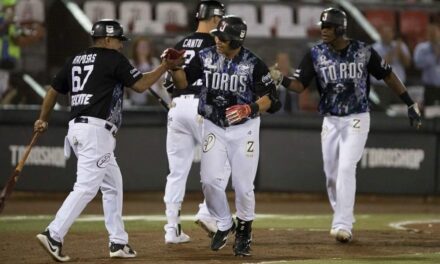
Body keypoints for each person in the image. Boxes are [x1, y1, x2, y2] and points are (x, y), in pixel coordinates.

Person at [33, 19, 182, 262]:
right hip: (95, 132)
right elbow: (142, 85)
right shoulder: (112, 58)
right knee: (86, 187)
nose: (122, 46)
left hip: (79, 129)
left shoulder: (76, 59)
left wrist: (42, 118)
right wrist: (165, 66)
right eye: (119, 41)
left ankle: (118, 242)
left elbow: (53, 90)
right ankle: (53, 234)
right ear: (108, 39)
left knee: (113, 185)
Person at [271, 7, 422, 243]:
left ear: (341, 28)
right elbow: (300, 85)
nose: (323, 30)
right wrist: (281, 79)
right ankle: (342, 214)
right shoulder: (315, 53)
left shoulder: (363, 51)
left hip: (357, 117)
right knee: (331, 174)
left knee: (345, 168)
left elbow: (388, 75)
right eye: (322, 26)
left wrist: (409, 103)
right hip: (330, 120)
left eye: (329, 26)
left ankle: (342, 222)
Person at [170, 15, 280, 256]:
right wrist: (175, 66)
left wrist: (249, 108)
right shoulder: (205, 55)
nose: (218, 40)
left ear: (237, 41)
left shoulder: (253, 63)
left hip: (245, 128)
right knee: (209, 181)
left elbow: (272, 100)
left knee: (243, 186)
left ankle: (244, 230)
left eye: (224, 38)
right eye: (217, 36)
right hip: (213, 125)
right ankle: (224, 222)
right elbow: (182, 83)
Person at [162, 0, 227, 244]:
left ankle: (171, 228)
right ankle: (207, 212)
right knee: (225, 159)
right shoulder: (217, 42)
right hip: (202, 106)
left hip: (178, 107)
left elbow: (171, 81)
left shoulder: (181, 43)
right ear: (216, 18)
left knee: (176, 172)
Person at [0, 0, 44, 104]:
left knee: (6, 82)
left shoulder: (14, 22)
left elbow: (18, 36)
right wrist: (6, 22)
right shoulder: (4, 19)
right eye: (9, 8)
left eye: (13, 8)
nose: (11, 10)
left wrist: (27, 33)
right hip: (2, 59)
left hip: (10, 59)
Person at [371, 25, 411, 109]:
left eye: (389, 33)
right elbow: (381, 65)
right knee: (382, 112)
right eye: (384, 33)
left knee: (400, 111)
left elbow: (407, 64)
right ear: (380, 34)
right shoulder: (374, 48)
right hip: (381, 87)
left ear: (393, 34)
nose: (387, 35)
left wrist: (400, 51)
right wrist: (394, 51)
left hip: (399, 86)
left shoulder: (401, 46)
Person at [126, 37, 169, 106]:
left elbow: (160, 81)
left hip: (154, 97)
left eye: (146, 46)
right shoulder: (131, 63)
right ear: (135, 48)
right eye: (141, 46)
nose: (144, 48)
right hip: (137, 98)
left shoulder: (154, 62)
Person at [413, 21, 440, 107]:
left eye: (435, 32)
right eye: (431, 33)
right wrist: (434, 56)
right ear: (427, 34)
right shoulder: (421, 48)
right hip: (429, 87)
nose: (433, 35)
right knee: (429, 111)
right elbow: (418, 64)